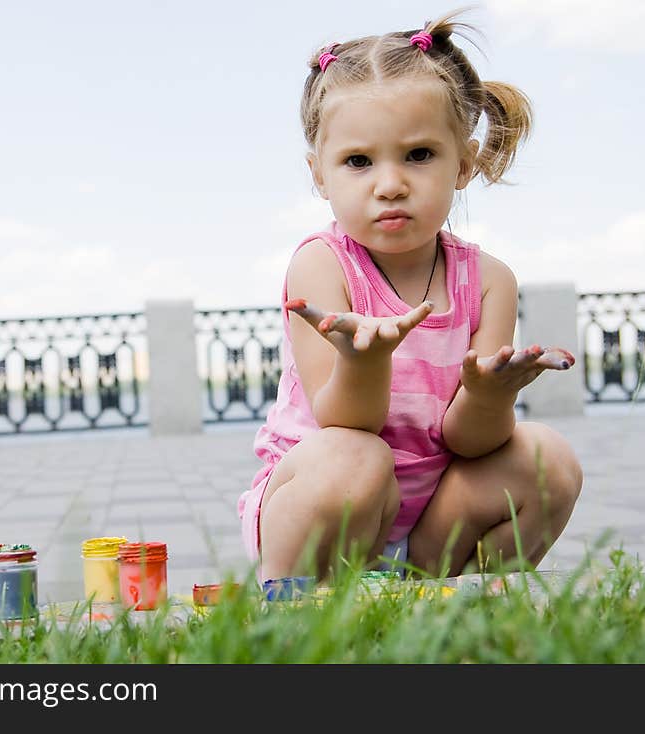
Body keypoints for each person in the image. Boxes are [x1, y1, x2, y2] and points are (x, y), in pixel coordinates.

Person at [237, 9, 583, 584]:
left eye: (419, 155)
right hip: (325, 502)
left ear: (464, 164)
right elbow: (342, 420)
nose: (390, 183)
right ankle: (297, 603)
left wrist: (489, 395)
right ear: (319, 175)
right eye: (358, 161)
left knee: (549, 459)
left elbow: (469, 440)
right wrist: (364, 360)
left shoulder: (489, 279)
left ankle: (435, 595)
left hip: (432, 512)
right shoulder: (322, 265)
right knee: (356, 459)